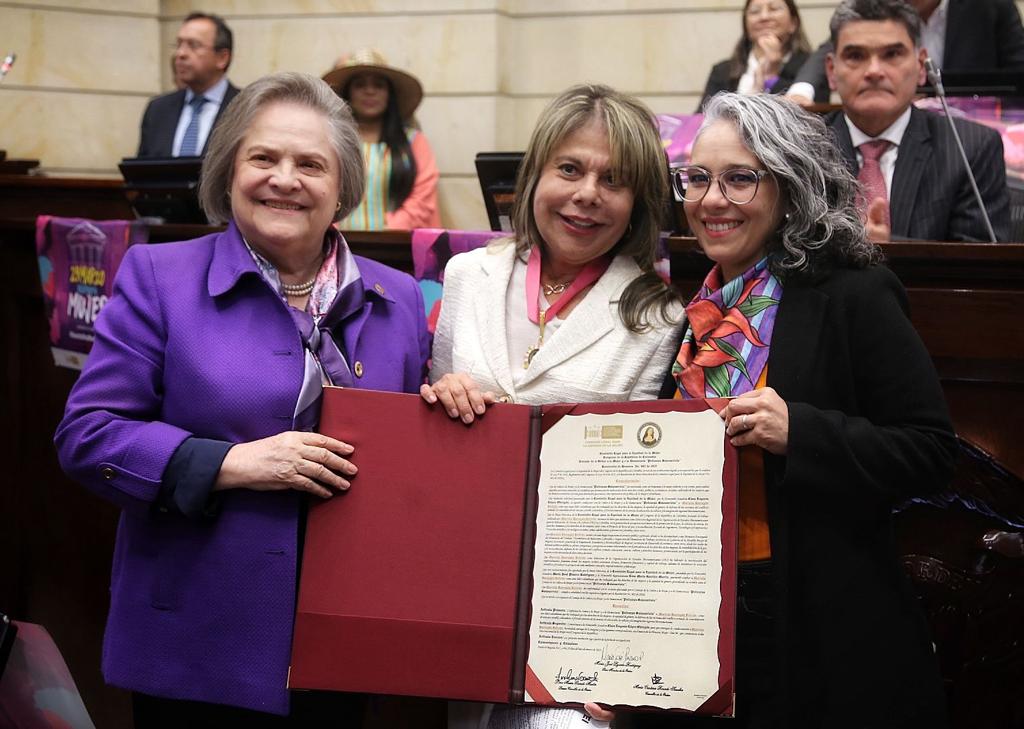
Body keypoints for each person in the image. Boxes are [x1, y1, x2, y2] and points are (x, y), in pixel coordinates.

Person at [55, 71, 429, 725]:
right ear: (229, 170)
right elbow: (87, 434)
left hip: (348, 648)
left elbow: (413, 459)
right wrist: (232, 464)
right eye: (263, 157)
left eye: (310, 163)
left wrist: (448, 395)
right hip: (195, 647)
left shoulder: (398, 297)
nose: (284, 178)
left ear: (342, 184)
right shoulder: (158, 277)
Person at [661, 91, 956, 728]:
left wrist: (803, 432)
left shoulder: (852, 292)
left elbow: (932, 452)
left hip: (813, 620)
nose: (713, 200)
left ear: (792, 185)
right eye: (698, 178)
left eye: (741, 178)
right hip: (693, 610)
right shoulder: (696, 311)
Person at [420, 84, 685, 727]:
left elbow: (645, 506)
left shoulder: (661, 317)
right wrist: (438, 397)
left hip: (580, 611)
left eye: (613, 180)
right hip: (460, 590)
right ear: (534, 175)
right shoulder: (465, 278)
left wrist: (626, 657)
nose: (587, 193)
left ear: (638, 203)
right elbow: (432, 438)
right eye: (569, 168)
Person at [824, 0, 1010, 242]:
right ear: (831, 71)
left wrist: (887, 249)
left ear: (921, 66)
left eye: (892, 54)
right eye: (856, 56)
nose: (874, 70)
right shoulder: (800, 148)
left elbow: (981, 262)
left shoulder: (971, 148)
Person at [787, 0, 1024, 105]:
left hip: (980, 125)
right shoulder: (878, 4)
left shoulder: (992, 5)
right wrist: (801, 91)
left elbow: (1018, 71)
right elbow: (835, 46)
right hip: (900, 123)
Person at [323, 49, 441, 230]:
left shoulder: (415, 142)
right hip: (334, 245)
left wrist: (388, 233)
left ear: (389, 95)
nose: (370, 91)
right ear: (348, 94)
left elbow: (422, 199)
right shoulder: (330, 140)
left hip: (399, 248)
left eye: (378, 85)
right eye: (360, 85)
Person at [137, 12, 240, 158]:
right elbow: (141, 175)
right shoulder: (158, 110)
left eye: (193, 45)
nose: (180, 54)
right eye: (178, 44)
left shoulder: (246, 109)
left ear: (222, 58)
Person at [698, 0, 813, 110]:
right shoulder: (722, 71)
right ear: (746, 25)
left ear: (793, 23)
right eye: (755, 11)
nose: (764, 17)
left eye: (774, 9)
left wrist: (772, 76)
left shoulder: (811, 68)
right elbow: (701, 119)